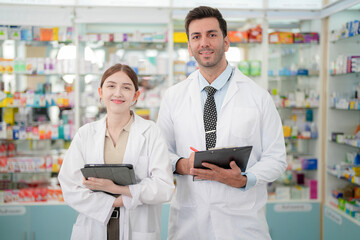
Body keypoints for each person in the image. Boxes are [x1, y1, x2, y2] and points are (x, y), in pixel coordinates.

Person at [157, 6, 287, 240]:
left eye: (212, 34)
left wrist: (245, 179)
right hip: (190, 220)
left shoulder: (258, 97)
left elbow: (276, 158)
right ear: (189, 47)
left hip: (241, 222)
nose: (204, 42)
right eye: (196, 37)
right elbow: (159, 153)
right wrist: (183, 165)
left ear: (226, 42)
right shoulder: (173, 96)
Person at [58, 63, 175, 240]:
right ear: (100, 92)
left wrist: (117, 190)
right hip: (93, 228)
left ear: (136, 95)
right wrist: (115, 201)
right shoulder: (85, 134)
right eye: (111, 86)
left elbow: (164, 187)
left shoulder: (151, 132)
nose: (118, 93)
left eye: (126, 87)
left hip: (139, 227)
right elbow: (70, 185)